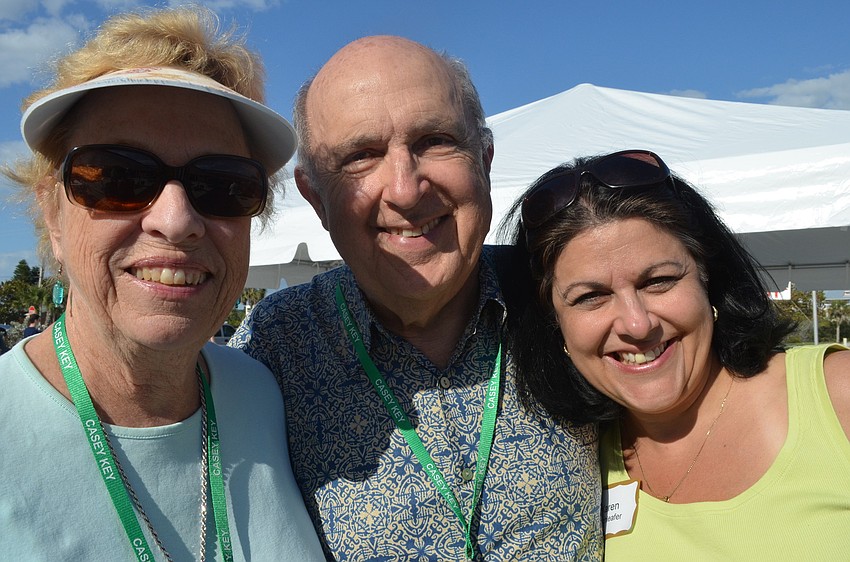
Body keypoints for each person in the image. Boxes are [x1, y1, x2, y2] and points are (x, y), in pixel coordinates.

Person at [230, 36, 603, 560]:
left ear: (484, 160)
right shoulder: (273, 348)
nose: (405, 189)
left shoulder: (564, 297)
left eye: (434, 140)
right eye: (361, 156)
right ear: (316, 198)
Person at [0, 7, 324, 561]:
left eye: (222, 185)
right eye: (119, 177)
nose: (175, 220)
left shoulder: (264, 394)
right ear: (51, 215)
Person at [505, 149, 850, 560]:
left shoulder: (836, 396)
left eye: (659, 281)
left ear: (708, 278)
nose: (636, 325)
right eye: (591, 296)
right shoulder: (569, 456)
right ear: (554, 323)